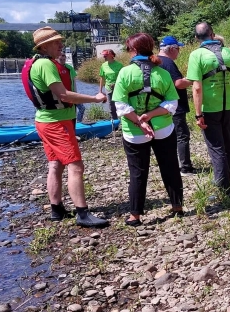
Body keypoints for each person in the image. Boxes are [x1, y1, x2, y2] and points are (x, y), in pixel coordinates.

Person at [24, 26, 108, 227]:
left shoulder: (41, 63)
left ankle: (57, 210)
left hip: (48, 120)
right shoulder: (46, 65)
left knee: (55, 164)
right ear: (44, 46)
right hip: (56, 122)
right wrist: (95, 98)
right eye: (56, 42)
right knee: (76, 165)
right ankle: (82, 213)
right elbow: (63, 95)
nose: (61, 45)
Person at [112, 33, 183, 226]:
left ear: (134, 50)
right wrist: (150, 116)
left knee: (137, 172)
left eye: (128, 49)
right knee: (169, 167)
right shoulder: (163, 73)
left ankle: (135, 215)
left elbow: (121, 105)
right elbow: (172, 103)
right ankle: (177, 206)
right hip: (163, 128)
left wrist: (140, 121)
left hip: (135, 132)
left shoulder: (125, 73)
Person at [187, 22, 230, 194]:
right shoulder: (227, 52)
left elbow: (196, 87)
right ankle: (225, 180)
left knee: (216, 147)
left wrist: (198, 114)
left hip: (210, 108)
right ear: (212, 34)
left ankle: (222, 188)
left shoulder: (196, 55)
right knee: (228, 143)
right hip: (229, 106)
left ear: (197, 38)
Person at [157, 35, 195, 174]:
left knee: (166, 136)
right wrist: (193, 79)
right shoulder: (168, 63)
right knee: (182, 135)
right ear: (172, 49)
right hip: (175, 106)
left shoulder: (155, 61)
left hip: (160, 105)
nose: (179, 52)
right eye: (178, 49)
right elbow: (178, 83)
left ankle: (168, 166)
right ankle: (185, 167)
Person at [99, 49, 122, 120]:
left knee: (120, 105)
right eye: (103, 56)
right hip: (108, 88)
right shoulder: (103, 65)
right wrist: (100, 91)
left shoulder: (119, 65)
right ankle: (114, 124)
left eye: (106, 55)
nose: (104, 57)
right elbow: (102, 78)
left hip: (118, 88)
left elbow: (123, 78)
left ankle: (122, 121)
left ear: (112, 55)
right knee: (111, 107)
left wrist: (117, 84)